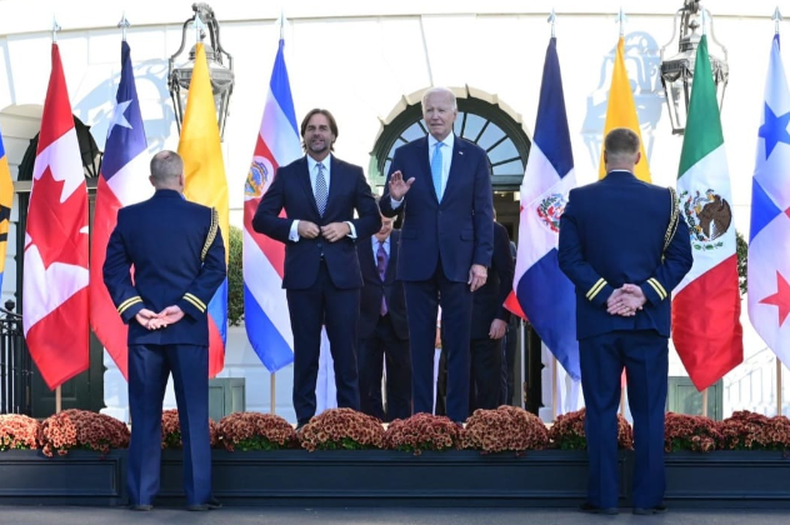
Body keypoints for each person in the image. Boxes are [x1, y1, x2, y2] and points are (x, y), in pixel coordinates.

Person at [558, 128, 693, 516]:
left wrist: (606, 294)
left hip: (598, 325)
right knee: (649, 412)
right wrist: (644, 292)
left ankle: (603, 499)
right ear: (637, 157)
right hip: (648, 324)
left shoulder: (580, 200)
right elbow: (681, 258)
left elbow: (569, 258)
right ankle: (648, 500)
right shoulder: (665, 200)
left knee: (601, 410)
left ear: (604, 156)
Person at [103, 150, 225, 512]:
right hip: (187, 330)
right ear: (181, 179)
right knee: (193, 418)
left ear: (152, 180)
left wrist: (136, 309)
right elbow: (215, 269)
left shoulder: (129, 218)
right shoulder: (206, 218)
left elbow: (113, 271)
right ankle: (199, 497)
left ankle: (141, 497)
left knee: (144, 417)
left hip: (144, 333)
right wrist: (185, 306)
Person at [252, 108, 381, 430]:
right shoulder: (287, 174)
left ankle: (351, 423)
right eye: (311, 128)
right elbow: (261, 219)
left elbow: (373, 219)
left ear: (333, 136)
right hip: (302, 279)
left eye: (323, 128)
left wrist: (347, 228)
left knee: (346, 356)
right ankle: (305, 424)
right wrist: (295, 226)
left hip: (344, 279)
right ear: (304, 135)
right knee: (306, 356)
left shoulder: (352, 174)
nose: (317, 133)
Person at [380, 87, 494, 423]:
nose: (436, 116)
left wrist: (481, 260)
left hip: (461, 262)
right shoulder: (405, 154)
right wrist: (396, 199)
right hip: (417, 260)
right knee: (419, 346)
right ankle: (421, 421)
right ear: (423, 114)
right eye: (430, 110)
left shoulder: (473, 156)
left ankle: (456, 420)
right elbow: (386, 207)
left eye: (442, 110)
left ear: (455, 114)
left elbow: (484, 213)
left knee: (458, 346)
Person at [357, 211, 411, 421]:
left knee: (401, 380)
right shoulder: (357, 242)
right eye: (379, 222)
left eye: (387, 222)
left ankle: (399, 429)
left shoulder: (404, 240)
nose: (383, 227)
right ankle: (372, 429)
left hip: (398, 320)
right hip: (365, 321)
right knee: (367, 380)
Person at [469, 219, 514, 411]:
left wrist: (502, 317)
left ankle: (488, 434)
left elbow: (507, 277)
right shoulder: (449, 225)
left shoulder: (496, 231)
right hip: (455, 321)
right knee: (458, 385)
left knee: (489, 385)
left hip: (488, 322)